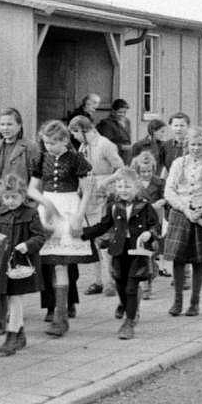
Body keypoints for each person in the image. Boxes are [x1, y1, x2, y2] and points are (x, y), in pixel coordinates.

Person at [27, 119, 95, 337]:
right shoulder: (41, 158)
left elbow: (87, 191)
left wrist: (79, 217)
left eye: (53, 143)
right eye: (46, 143)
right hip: (48, 208)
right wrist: (45, 202)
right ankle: (57, 311)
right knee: (49, 262)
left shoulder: (76, 159)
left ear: (65, 140)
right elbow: (32, 189)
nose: (49, 147)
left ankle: (61, 316)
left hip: (68, 208)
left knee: (61, 263)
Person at [77, 168, 161, 339]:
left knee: (131, 287)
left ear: (136, 187)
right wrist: (82, 234)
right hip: (119, 250)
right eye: (120, 186)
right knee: (120, 284)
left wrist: (149, 234)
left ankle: (129, 322)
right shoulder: (114, 206)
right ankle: (124, 304)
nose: (123, 190)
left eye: (127, 186)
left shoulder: (145, 206)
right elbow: (103, 225)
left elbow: (155, 226)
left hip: (138, 251)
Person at [0, 174, 46, 356]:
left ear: (23, 196)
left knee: (15, 299)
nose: (10, 201)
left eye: (14, 197)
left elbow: (40, 236)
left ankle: (11, 336)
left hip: (21, 265)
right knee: (9, 298)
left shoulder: (30, 214)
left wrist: (28, 245)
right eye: (6, 197)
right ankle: (20, 333)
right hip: (3, 264)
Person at [162, 126, 202, 316]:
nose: (196, 148)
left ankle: (194, 303)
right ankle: (177, 301)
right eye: (193, 144)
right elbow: (169, 191)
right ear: (187, 145)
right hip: (181, 213)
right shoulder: (179, 163)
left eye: (200, 145)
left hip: (201, 213)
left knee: (198, 260)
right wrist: (185, 209)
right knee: (178, 258)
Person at [69, 114, 124, 297]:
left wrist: (106, 182)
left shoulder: (105, 144)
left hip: (103, 194)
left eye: (75, 133)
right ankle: (98, 280)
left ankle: (110, 281)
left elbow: (121, 168)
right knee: (92, 239)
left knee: (104, 239)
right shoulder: (83, 147)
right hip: (88, 195)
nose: (75, 137)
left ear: (83, 130)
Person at [132, 150, 167, 300]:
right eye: (143, 171)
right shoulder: (134, 184)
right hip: (139, 220)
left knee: (153, 251)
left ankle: (152, 272)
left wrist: (161, 202)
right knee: (142, 252)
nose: (146, 174)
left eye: (149, 171)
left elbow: (166, 196)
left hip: (154, 220)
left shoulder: (159, 182)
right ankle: (145, 287)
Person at [0, 107, 39, 187]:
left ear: (19, 126)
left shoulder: (30, 147)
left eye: (9, 124)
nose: (5, 128)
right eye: (2, 124)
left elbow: (37, 180)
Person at [95, 98, 133, 164]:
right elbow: (105, 144)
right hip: (114, 156)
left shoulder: (127, 121)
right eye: (119, 112)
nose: (122, 114)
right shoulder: (107, 123)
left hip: (127, 156)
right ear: (113, 111)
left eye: (124, 112)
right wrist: (122, 147)